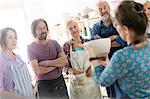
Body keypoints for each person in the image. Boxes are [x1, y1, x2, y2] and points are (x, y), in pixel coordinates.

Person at [86, 1, 150, 98]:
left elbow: (102, 81)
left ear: (125, 29)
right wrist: (110, 65)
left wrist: (94, 59)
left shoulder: (121, 56)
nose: (116, 27)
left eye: (117, 25)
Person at [27, 18, 69, 99]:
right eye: (40, 29)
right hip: (44, 86)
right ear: (34, 31)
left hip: (60, 82)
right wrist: (57, 64)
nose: (43, 31)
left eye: (44, 28)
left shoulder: (55, 43)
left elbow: (65, 61)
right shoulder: (30, 48)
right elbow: (38, 71)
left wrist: (46, 63)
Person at [63, 20, 101, 99]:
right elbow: (64, 67)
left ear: (78, 27)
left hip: (91, 81)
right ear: (67, 31)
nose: (73, 30)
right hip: (76, 83)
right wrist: (73, 71)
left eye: (75, 27)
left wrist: (92, 68)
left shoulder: (88, 42)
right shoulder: (66, 46)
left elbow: (96, 59)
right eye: (70, 29)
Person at [0, 27, 33, 98]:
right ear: (2, 40)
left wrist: (33, 88)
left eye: (15, 38)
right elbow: (1, 91)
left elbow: (26, 80)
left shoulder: (18, 57)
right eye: (10, 38)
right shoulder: (1, 60)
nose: (14, 40)